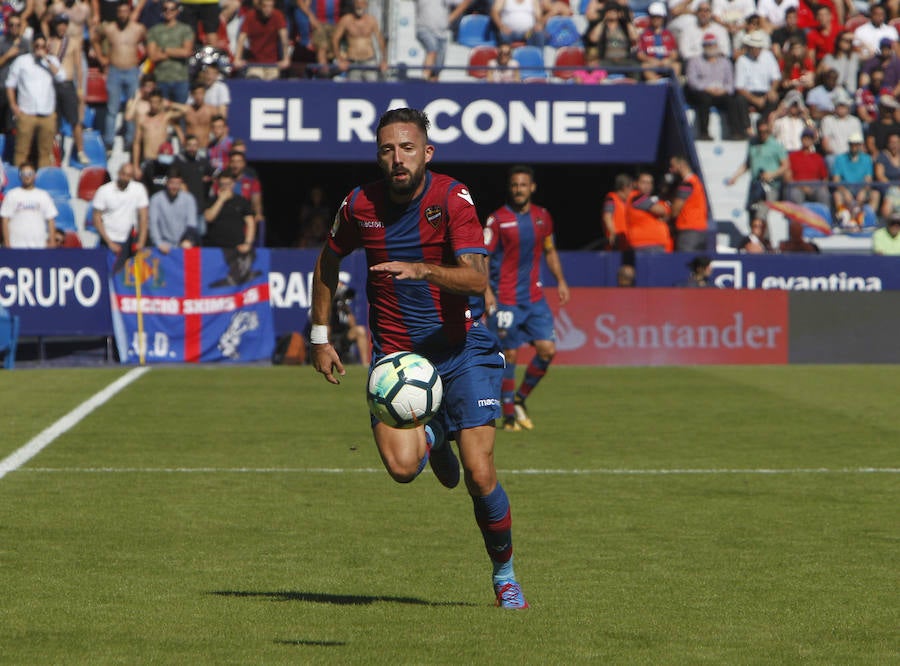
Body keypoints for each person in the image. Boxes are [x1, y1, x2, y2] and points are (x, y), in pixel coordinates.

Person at [310, 107, 528, 610]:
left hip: (463, 347)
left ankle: (505, 575)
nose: (397, 158)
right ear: (378, 156)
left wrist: (421, 269)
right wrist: (321, 338)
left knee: (479, 475)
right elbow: (327, 260)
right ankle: (434, 434)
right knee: (403, 468)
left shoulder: (453, 198)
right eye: (387, 149)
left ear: (427, 152)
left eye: (407, 147)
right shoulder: (359, 204)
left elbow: (477, 280)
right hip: (398, 359)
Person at [484, 164, 569, 432]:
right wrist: (486, 290)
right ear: (510, 188)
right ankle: (508, 415)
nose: (518, 189)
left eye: (523, 185)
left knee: (548, 350)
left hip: (535, 297)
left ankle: (519, 399)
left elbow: (550, 250)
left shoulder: (543, 217)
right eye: (514, 185)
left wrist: (562, 281)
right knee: (509, 353)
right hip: (505, 297)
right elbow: (483, 257)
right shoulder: (497, 220)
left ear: (532, 187)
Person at [94, 1, 146, 153]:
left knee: (132, 108)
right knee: (112, 109)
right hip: (114, 71)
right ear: (117, 13)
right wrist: (101, 58)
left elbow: (150, 44)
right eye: (120, 12)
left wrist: (142, 62)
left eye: (125, 11)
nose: (123, 14)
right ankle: (109, 141)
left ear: (129, 12)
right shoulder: (110, 28)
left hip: (132, 71)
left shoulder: (138, 29)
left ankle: (130, 140)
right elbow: (95, 39)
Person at [6, 35, 65, 169]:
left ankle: (42, 182)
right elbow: (10, 84)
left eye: (42, 46)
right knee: (22, 151)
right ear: (33, 46)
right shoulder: (22, 61)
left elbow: (61, 77)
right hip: (26, 113)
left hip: (47, 114)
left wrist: (46, 59)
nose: (39, 49)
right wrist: (13, 105)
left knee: (45, 152)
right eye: (37, 46)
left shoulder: (51, 61)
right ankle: (19, 181)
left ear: (46, 47)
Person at [48, 15, 89, 165]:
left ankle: (80, 151)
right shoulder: (49, 43)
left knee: (75, 121)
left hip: (68, 84)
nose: (62, 27)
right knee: (53, 122)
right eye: (59, 24)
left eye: (64, 24)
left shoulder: (72, 43)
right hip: (53, 86)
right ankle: (53, 152)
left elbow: (79, 67)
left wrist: (80, 88)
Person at [684, 32, 739, 140]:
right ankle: (704, 133)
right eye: (707, 45)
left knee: (732, 101)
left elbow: (731, 82)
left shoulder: (725, 62)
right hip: (703, 92)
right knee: (704, 100)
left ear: (717, 46)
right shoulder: (695, 61)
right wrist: (707, 88)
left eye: (712, 44)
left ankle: (735, 132)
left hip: (721, 92)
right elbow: (692, 81)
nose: (710, 47)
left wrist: (723, 90)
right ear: (703, 46)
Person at [92, 163, 150, 254]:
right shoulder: (104, 191)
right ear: (118, 173)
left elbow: (143, 217)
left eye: (129, 175)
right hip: (108, 239)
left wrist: (141, 242)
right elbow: (97, 218)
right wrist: (109, 243)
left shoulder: (139, 189)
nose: (125, 178)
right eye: (123, 174)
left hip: (130, 240)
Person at [734, 31, 782, 136]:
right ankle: (747, 128)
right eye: (754, 47)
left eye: (758, 47)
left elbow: (776, 78)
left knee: (774, 98)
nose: (756, 50)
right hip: (748, 94)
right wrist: (755, 99)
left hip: (765, 92)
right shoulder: (742, 60)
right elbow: (739, 87)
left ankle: (763, 124)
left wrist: (772, 90)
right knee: (739, 100)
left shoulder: (768, 56)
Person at [0, 162, 58, 248]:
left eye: (30, 173)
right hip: (16, 246)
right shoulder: (11, 195)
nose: (27, 176)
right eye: (23, 174)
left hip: (39, 246)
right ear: (20, 176)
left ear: (35, 175)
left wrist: (52, 241)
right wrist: (7, 243)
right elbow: (4, 220)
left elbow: (51, 220)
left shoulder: (44, 196)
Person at [146, 0, 195, 102]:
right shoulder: (154, 30)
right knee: (162, 114)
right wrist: (177, 52)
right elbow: (153, 56)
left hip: (180, 78)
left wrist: (164, 50)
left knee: (180, 113)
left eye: (172, 9)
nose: (168, 11)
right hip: (161, 78)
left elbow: (186, 52)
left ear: (177, 11)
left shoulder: (185, 29)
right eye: (165, 9)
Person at [332, 0, 388, 81]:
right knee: (354, 91)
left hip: (369, 61)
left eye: (362, 3)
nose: (359, 6)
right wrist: (340, 60)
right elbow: (335, 39)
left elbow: (380, 39)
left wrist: (384, 60)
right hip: (353, 62)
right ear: (353, 5)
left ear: (366, 5)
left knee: (372, 90)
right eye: (357, 3)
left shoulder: (371, 20)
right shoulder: (346, 20)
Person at [234, 0, 290, 80]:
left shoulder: (277, 15)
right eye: (265, 6)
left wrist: (286, 59)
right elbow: (241, 39)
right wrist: (237, 59)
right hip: (254, 63)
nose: (268, 9)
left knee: (274, 85)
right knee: (254, 80)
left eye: (271, 6)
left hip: (272, 64)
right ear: (259, 6)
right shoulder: (251, 16)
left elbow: (284, 38)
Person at [416, 0, 471, 81]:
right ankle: (424, 80)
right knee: (432, 49)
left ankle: (432, 89)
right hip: (424, 29)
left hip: (441, 33)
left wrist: (451, 17)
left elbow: (466, 2)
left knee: (438, 67)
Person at [832, 132, 878, 227]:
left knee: (875, 194)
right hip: (845, 188)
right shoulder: (840, 158)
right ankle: (844, 221)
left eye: (856, 144)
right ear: (849, 145)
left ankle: (868, 220)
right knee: (837, 195)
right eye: (852, 144)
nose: (854, 146)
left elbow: (868, 179)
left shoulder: (867, 159)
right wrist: (844, 191)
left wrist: (864, 191)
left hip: (861, 188)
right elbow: (836, 180)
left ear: (860, 145)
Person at [148, 167, 198, 252]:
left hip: (183, 245)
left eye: (177, 183)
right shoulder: (156, 199)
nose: (174, 187)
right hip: (162, 245)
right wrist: (159, 243)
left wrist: (188, 239)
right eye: (172, 183)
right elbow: (153, 223)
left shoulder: (189, 199)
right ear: (167, 183)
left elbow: (191, 223)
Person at [203, 170, 255, 250]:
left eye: (227, 184)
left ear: (233, 184)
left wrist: (248, 243)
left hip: (236, 247)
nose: (225, 187)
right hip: (214, 247)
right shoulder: (212, 200)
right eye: (222, 184)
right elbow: (209, 218)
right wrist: (220, 200)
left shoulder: (242, 201)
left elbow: (250, 223)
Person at [669, 155, 710, 251]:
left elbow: (675, 209)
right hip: (700, 228)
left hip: (688, 229)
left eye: (673, 166)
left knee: (686, 262)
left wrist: (666, 217)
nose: (671, 170)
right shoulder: (696, 181)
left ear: (681, 165)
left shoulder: (687, 184)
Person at [625, 170, 672, 252]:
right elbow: (662, 211)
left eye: (650, 183)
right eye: (644, 182)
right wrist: (665, 210)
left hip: (652, 243)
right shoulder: (637, 198)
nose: (647, 186)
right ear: (636, 184)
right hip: (646, 244)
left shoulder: (648, 199)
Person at [0, 14, 31, 135]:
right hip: (2, 87)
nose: (14, 27)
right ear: (7, 26)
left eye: (17, 25)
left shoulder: (26, 43)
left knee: (15, 125)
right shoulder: (2, 41)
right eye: (11, 25)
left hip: (21, 89)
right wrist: (7, 55)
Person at [636, 2, 680, 81]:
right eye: (654, 17)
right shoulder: (644, 34)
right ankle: (656, 85)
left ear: (663, 18)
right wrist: (650, 60)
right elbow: (640, 54)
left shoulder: (669, 34)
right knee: (645, 66)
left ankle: (672, 88)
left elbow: (674, 53)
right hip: (652, 63)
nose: (656, 20)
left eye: (658, 17)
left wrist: (668, 60)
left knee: (676, 66)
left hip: (666, 63)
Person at [786, 127, 831, 205]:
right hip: (798, 186)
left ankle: (823, 216)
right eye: (805, 138)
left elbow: (824, 177)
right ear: (801, 139)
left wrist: (824, 187)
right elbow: (788, 177)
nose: (807, 140)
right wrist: (800, 186)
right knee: (795, 194)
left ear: (813, 141)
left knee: (823, 194)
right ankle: (798, 217)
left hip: (814, 186)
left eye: (809, 138)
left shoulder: (818, 157)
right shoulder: (793, 156)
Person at [170, 81, 214, 148]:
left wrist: (212, 140)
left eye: (201, 93)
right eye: (196, 94)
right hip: (189, 147)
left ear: (204, 93)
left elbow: (220, 125)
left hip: (205, 147)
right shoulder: (187, 110)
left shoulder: (211, 110)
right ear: (192, 95)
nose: (198, 96)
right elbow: (172, 120)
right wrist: (181, 137)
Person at [602, 172, 631, 250]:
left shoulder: (627, 202)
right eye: (630, 188)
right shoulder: (611, 199)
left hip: (626, 242)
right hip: (616, 243)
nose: (631, 192)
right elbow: (607, 216)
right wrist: (612, 233)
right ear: (625, 188)